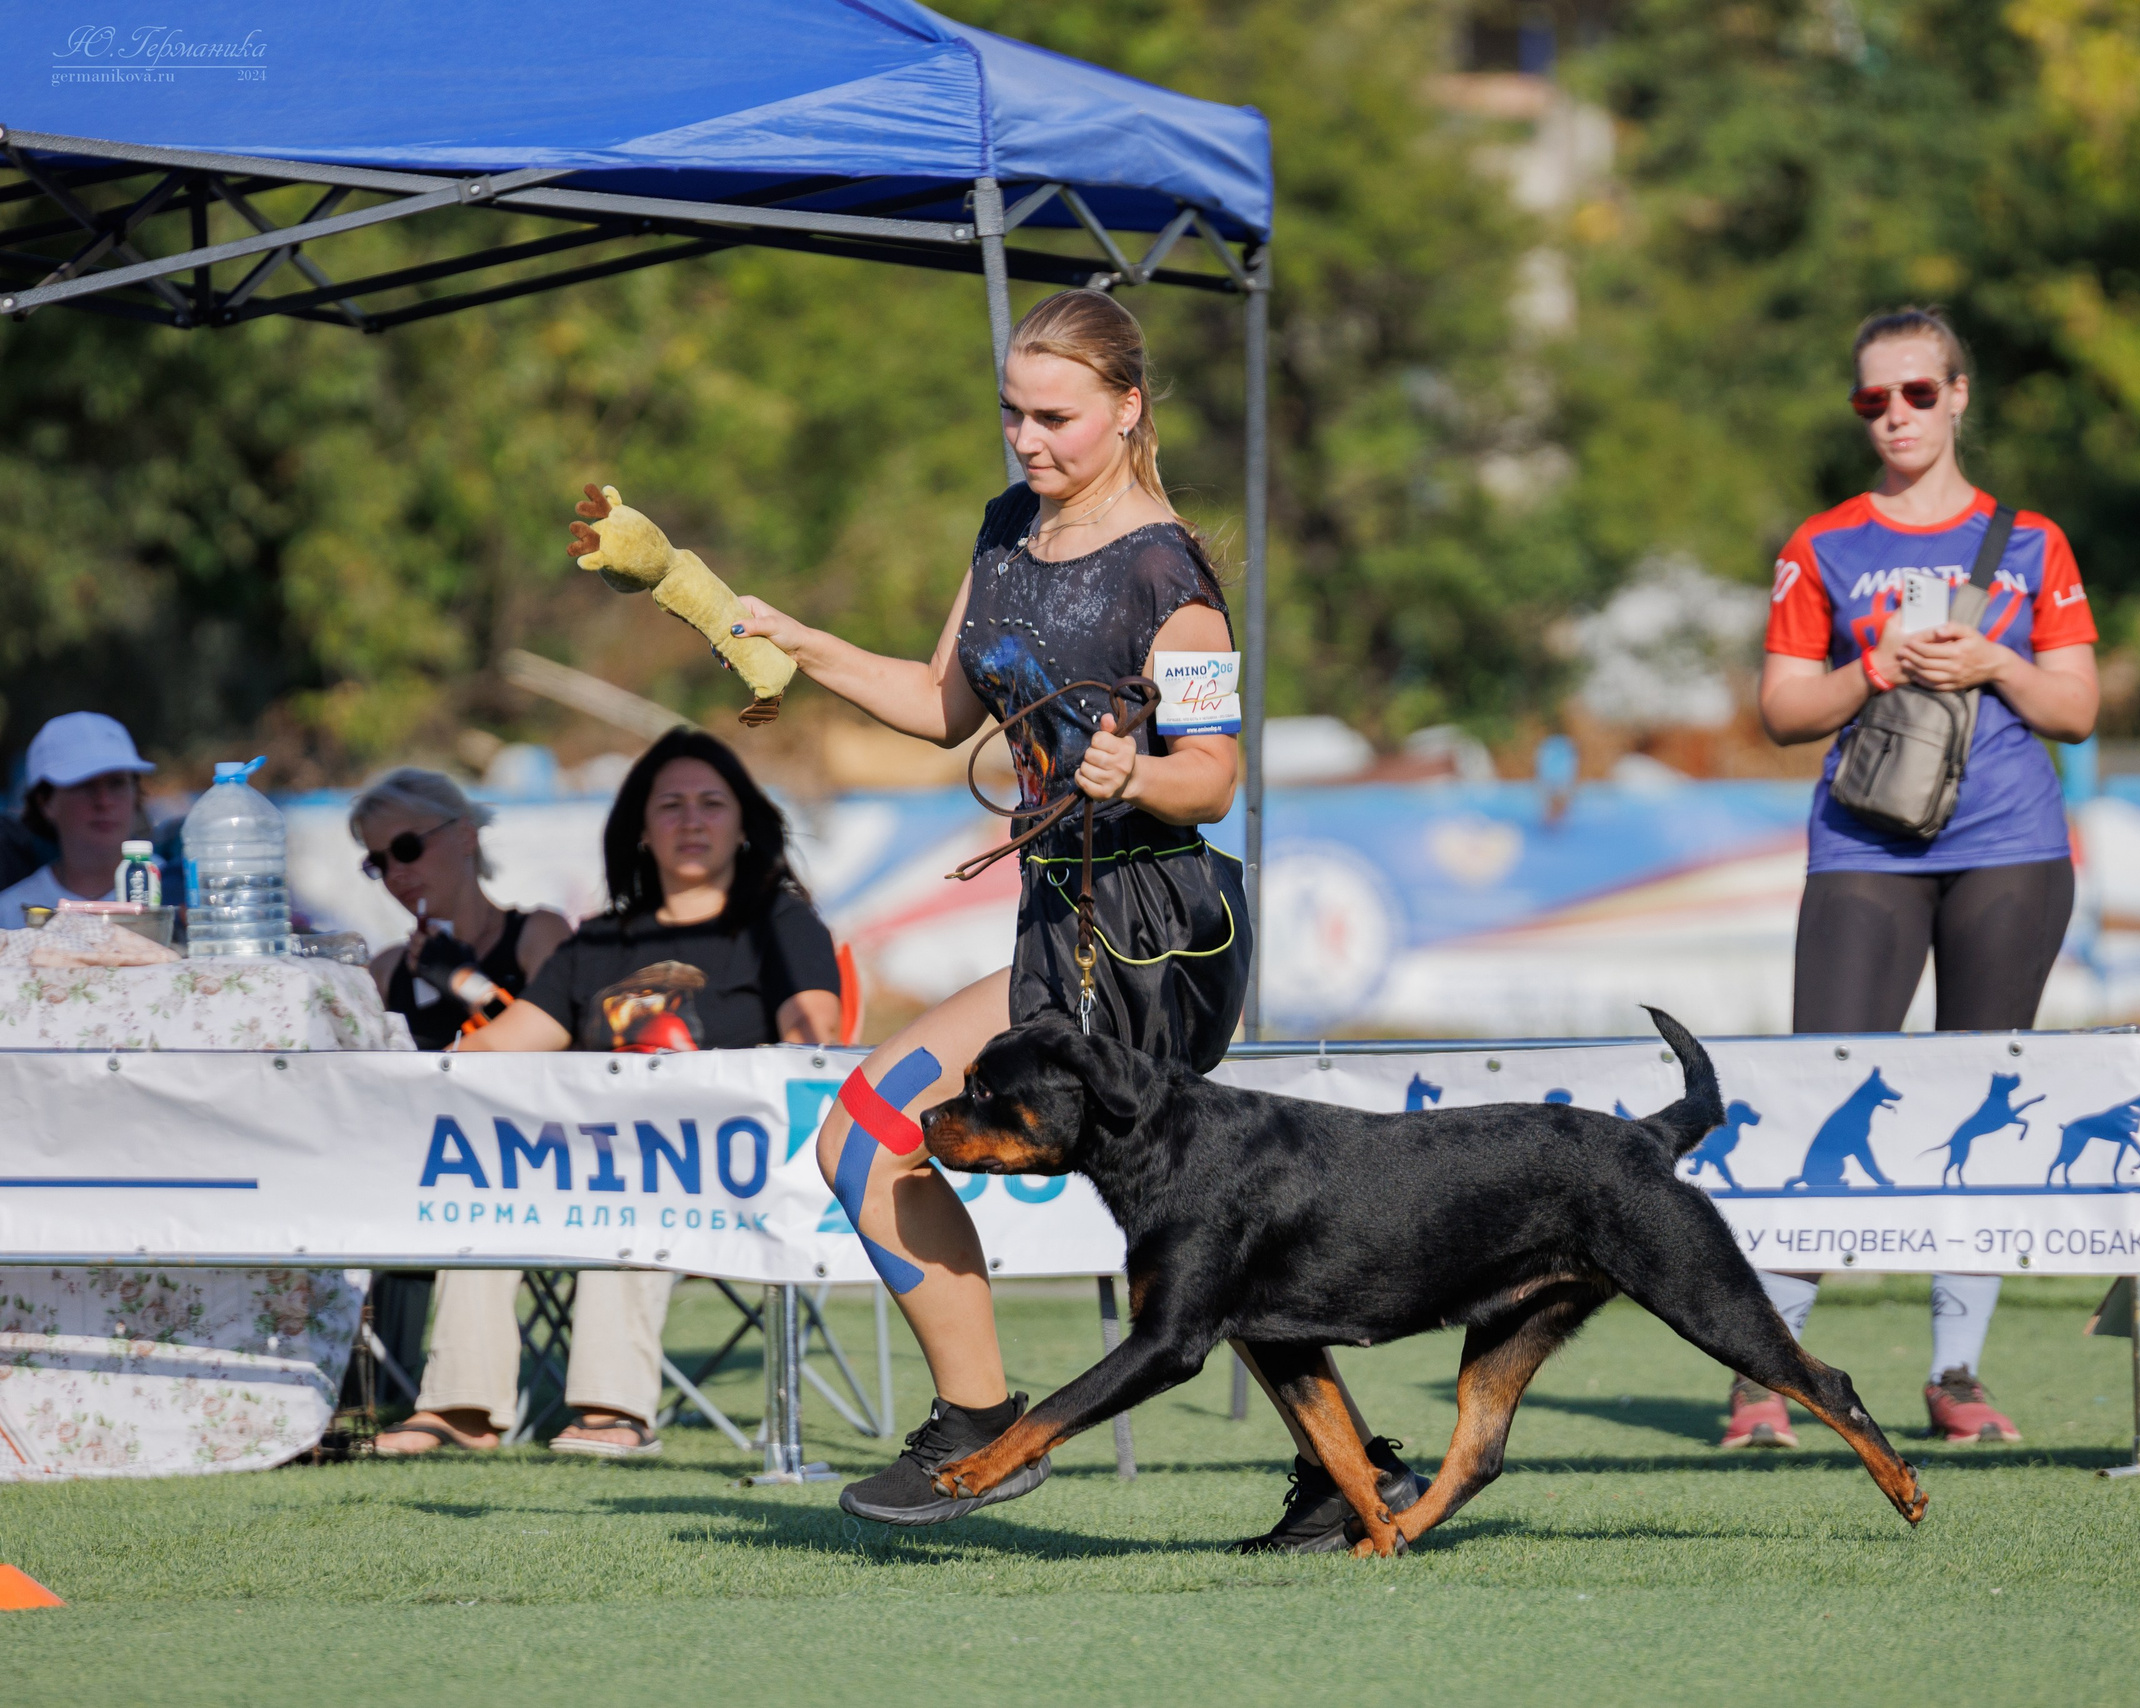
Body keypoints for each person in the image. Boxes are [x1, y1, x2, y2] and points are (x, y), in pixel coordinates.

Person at [730, 288, 1419, 1550]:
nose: (1028, 441)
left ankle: (980, 1426)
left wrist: (1134, 774)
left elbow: (1212, 773)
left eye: (1055, 416)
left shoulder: (1168, 573)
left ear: (1127, 409)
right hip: (1061, 912)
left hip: (1158, 925)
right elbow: (947, 705)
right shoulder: (1006, 530)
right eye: (1012, 413)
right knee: (1194, 1229)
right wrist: (799, 639)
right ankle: (1337, 1469)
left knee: (880, 1135)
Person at [1748, 306, 2099, 1446]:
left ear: (1958, 396)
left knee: (1974, 1098)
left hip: (2009, 844)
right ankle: (1769, 1371)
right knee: (1818, 1088)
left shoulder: (2032, 540)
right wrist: (1873, 664)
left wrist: (1995, 658)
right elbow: (1780, 710)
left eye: (1915, 392)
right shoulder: (1824, 544)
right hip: (1864, 846)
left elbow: (2077, 709)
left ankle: (1956, 1370)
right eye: (1872, 399)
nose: (1893, 414)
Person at [374, 729, 841, 1457]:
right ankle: (461, 1409)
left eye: (712, 804)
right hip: (580, 1164)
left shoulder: (780, 926)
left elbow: (812, 1044)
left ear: (743, 824)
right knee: (487, 1190)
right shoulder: (597, 943)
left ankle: (610, 1408)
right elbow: (502, 1046)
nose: (691, 821)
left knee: (627, 1193)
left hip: (718, 1168)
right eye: (672, 805)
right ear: (641, 829)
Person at [342, 768, 572, 1410]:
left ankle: (456, 1405)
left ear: (466, 835)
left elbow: (568, 1056)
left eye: (407, 848)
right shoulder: (384, 968)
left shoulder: (539, 935)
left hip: (525, 1165)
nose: (397, 871)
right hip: (404, 1169)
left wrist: (462, 982)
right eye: (377, 862)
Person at [0, 712, 156, 927]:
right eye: (84, 785)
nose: (104, 801)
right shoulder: (10, 913)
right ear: (45, 802)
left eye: (117, 783)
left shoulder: (183, 892)